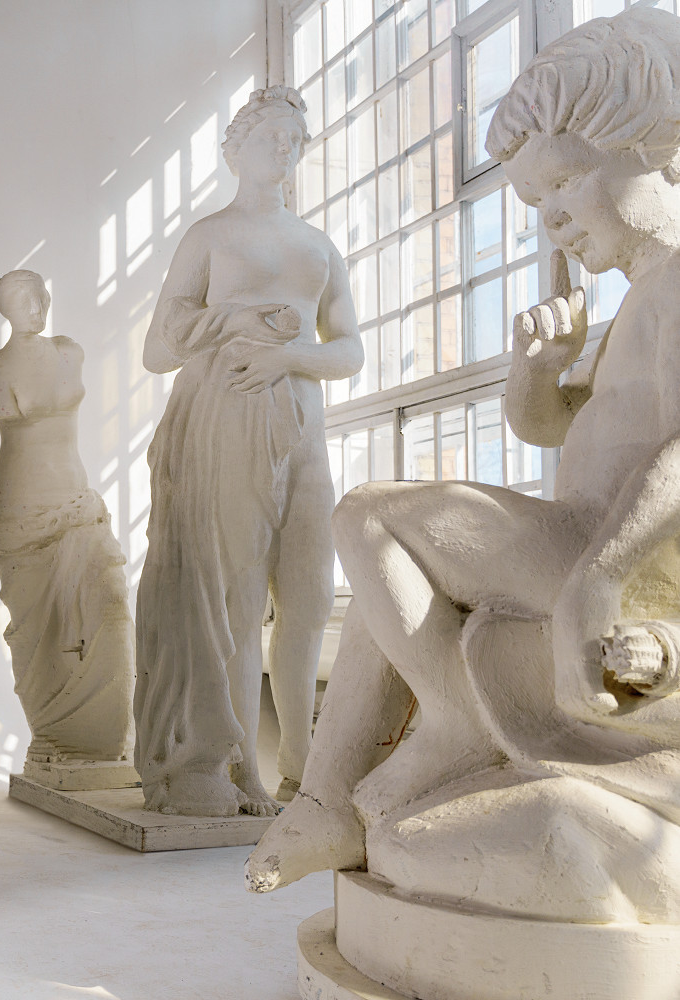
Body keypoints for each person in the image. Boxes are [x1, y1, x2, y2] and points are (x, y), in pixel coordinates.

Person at [245, 9, 680, 923]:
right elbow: (551, 429)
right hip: (575, 541)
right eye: (534, 202)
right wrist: (538, 373)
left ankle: (444, 724)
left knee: (371, 516)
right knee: (388, 574)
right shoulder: (637, 303)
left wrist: (603, 580)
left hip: (615, 559)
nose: (552, 218)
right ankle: (340, 789)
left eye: (564, 181)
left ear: (658, 147)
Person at [136, 86, 363, 816]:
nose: (286, 149)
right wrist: (236, 319)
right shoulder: (210, 236)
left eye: (296, 139)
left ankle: (303, 772)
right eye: (271, 136)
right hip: (230, 426)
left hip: (304, 431)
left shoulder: (318, 246)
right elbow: (157, 350)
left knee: (307, 600)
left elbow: (349, 350)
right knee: (234, 600)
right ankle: (240, 771)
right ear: (236, 149)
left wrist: (287, 356)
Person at [0, 269, 134, 768]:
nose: (34, 306)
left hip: (76, 497)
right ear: (4, 309)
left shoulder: (70, 352)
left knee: (109, 604)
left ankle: (104, 738)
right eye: (20, 300)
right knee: (37, 629)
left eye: (39, 296)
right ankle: (54, 735)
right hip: (23, 502)